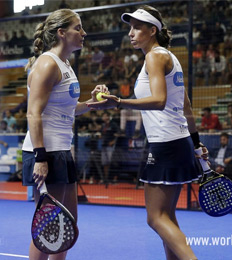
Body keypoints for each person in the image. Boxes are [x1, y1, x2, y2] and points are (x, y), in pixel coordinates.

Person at [87, 6, 207, 260]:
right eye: (129, 27)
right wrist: (196, 145)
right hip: (179, 142)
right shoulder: (168, 57)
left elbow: (159, 100)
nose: (130, 33)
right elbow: (185, 106)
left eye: (137, 27)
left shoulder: (154, 57)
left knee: (155, 218)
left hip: (166, 144)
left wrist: (118, 102)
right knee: (168, 217)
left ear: (153, 30)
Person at [22, 8, 106, 260]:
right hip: (45, 153)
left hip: (61, 151)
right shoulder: (47, 64)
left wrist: (91, 103)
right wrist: (40, 158)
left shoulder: (65, 63)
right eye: (78, 28)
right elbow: (33, 113)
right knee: (49, 228)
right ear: (61, 33)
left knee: (67, 226)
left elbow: (68, 111)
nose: (84, 32)